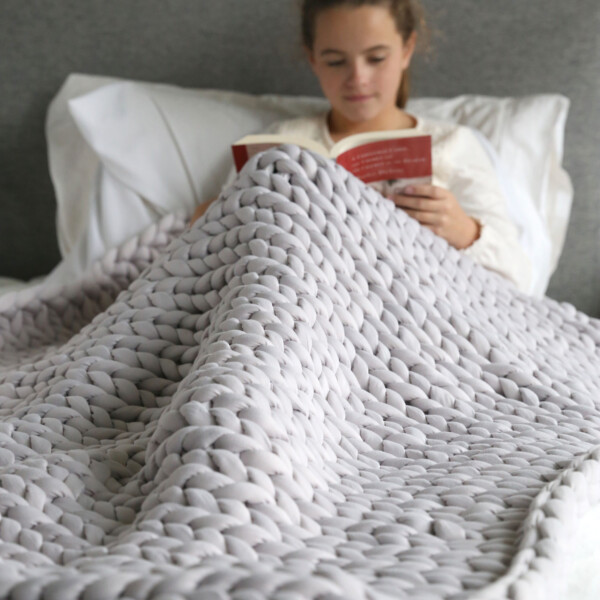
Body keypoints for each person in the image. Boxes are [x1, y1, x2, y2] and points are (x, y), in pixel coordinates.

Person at [192, 0, 532, 292]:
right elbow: (210, 255)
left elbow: (519, 276)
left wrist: (465, 231)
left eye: (376, 58)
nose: (357, 78)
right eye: (336, 61)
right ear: (313, 59)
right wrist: (210, 221)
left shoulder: (451, 145)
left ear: (407, 50)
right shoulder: (279, 143)